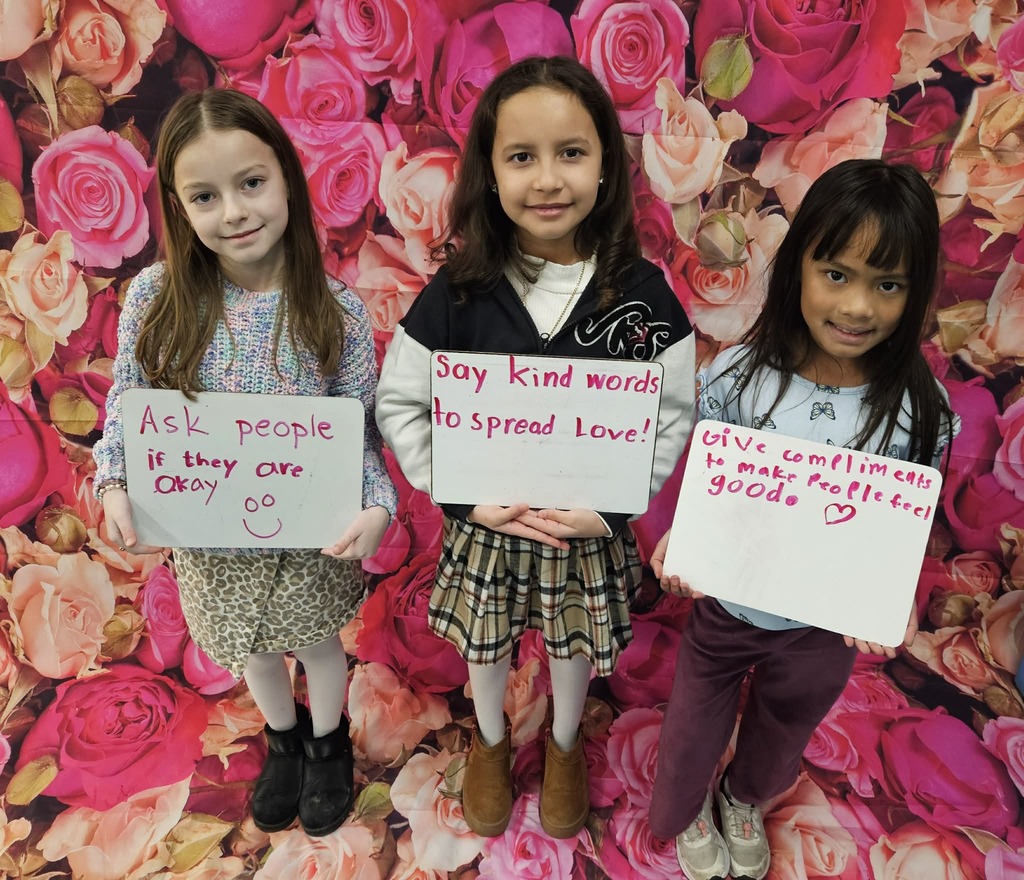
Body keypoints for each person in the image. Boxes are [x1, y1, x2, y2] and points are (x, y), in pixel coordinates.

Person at [375, 55, 695, 839]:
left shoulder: (641, 293)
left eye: (571, 153)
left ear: (607, 168)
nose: (547, 179)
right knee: (485, 647)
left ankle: (561, 744)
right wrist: (459, 493)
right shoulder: (457, 292)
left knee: (571, 645)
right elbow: (400, 400)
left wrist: (614, 509)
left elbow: (673, 413)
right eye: (522, 157)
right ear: (488, 170)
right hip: (487, 522)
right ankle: (489, 740)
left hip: (582, 532)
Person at [92, 89, 397, 838]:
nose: (233, 210)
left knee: (319, 644)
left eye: (251, 183)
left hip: (309, 540)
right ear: (179, 205)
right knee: (252, 649)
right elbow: (129, 404)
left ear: (287, 179)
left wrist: (378, 501)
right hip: (210, 540)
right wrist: (116, 479)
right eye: (205, 195)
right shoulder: (156, 299)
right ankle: (284, 742)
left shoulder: (336, 310)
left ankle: (327, 746)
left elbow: (358, 431)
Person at [648, 159, 958, 880]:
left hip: (824, 625)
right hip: (727, 607)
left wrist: (893, 593)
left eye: (888, 285)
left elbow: (908, 518)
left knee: (784, 728)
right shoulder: (736, 378)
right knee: (691, 729)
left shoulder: (923, 412)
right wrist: (682, 533)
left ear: (915, 294)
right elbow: (707, 476)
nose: (857, 307)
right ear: (799, 270)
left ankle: (742, 796)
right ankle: (687, 805)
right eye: (838, 274)